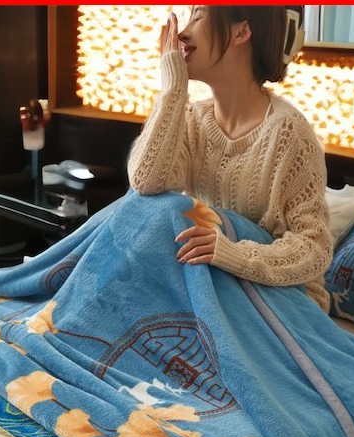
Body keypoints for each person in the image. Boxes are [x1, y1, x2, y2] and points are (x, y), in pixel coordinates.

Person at [127, 6, 332, 312]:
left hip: (285, 298)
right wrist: (172, 89)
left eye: (198, 16)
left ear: (241, 32)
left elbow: (314, 247)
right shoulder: (192, 119)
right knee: (150, 212)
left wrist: (232, 254)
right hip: (213, 281)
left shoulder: (289, 132)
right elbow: (145, 184)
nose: (183, 33)